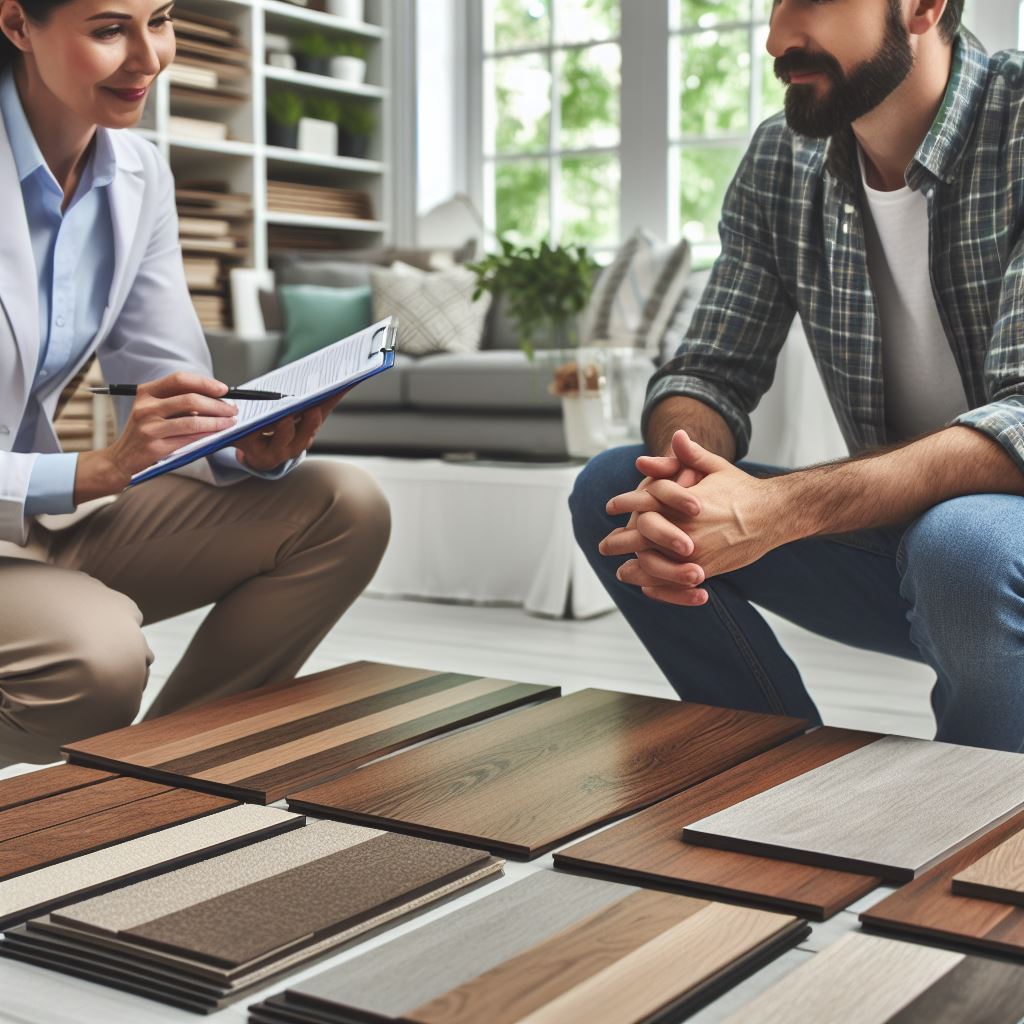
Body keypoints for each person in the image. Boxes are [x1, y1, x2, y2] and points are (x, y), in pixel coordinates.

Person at [571, 0, 1024, 753]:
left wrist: (776, 509)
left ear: (923, 6)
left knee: (961, 546)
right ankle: (766, 775)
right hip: (915, 556)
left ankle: (982, 841)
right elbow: (708, 370)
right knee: (616, 495)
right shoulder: (783, 158)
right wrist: (681, 480)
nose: (778, 38)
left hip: (987, 562)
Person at [0, 0, 390, 765]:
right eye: (110, 29)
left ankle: (155, 785)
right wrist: (93, 471)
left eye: (162, 19)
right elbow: (102, 470)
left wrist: (247, 442)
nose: (149, 56)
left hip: (31, 526)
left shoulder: (138, 173)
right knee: (96, 659)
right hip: (37, 504)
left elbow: (169, 379)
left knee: (344, 508)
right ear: (17, 24)